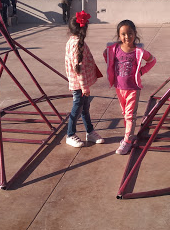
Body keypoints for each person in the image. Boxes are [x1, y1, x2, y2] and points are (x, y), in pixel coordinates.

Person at [103, 20, 156, 155]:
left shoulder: (138, 51)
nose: (127, 37)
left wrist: (142, 71)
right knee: (125, 114)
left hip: (132, 88)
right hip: (119, 87)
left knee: (130, 115)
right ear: (119, 35)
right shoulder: (114, 49)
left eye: (130, 33)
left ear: (135, 34)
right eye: (123, 34)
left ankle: (126, 141)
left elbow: (152, 60)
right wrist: (111, 68)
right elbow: (106, 55)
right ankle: (129, 136)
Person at [64, 10, 104, 147]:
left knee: (85, 108)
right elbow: (78, 68)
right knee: (77, 108)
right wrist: (84, 87)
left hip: (81, 84)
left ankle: (90, 131)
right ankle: (70, 134)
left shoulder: (74, 42)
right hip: (79, 85)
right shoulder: (75, 44)